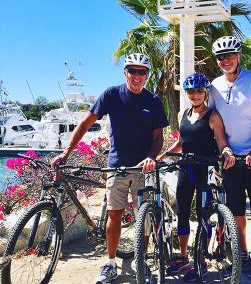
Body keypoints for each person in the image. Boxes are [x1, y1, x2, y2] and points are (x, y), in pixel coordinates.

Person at [50, 53, 169, 284]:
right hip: (117, 166)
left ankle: (142, 260)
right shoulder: (111, 95)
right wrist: (66, 152)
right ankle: (111, 263)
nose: (136, 76)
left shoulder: (153, 100)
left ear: (147, 75)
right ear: (125, 72)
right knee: (114, 215)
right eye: (132, 71)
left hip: (143, 168)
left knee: (142, 217)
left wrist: (151, 157)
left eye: (141, 72)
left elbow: (158, 136)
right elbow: (85, 123)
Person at [157, 73, 236, 282]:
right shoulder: (184, 114)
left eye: (199, 91)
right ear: (187, 94)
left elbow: (221, 140)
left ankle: (200, 260)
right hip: (186, 168)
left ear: (205, 92)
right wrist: (163, 155)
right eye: (191, 91)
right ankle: (183, 257)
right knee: (182, 213)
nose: (195, 95)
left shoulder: (213, 116)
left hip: (205, 168)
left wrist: (226, 152)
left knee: (203, 216)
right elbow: (182, 141)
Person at [209, 36, 251, 281]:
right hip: (231, 158)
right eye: (221, 57)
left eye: (230, 55)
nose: (226, 60)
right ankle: (242, 255)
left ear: (239, 56)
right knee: (236, 212)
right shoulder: (214, 85)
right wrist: (223, 149)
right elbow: (216, 123)